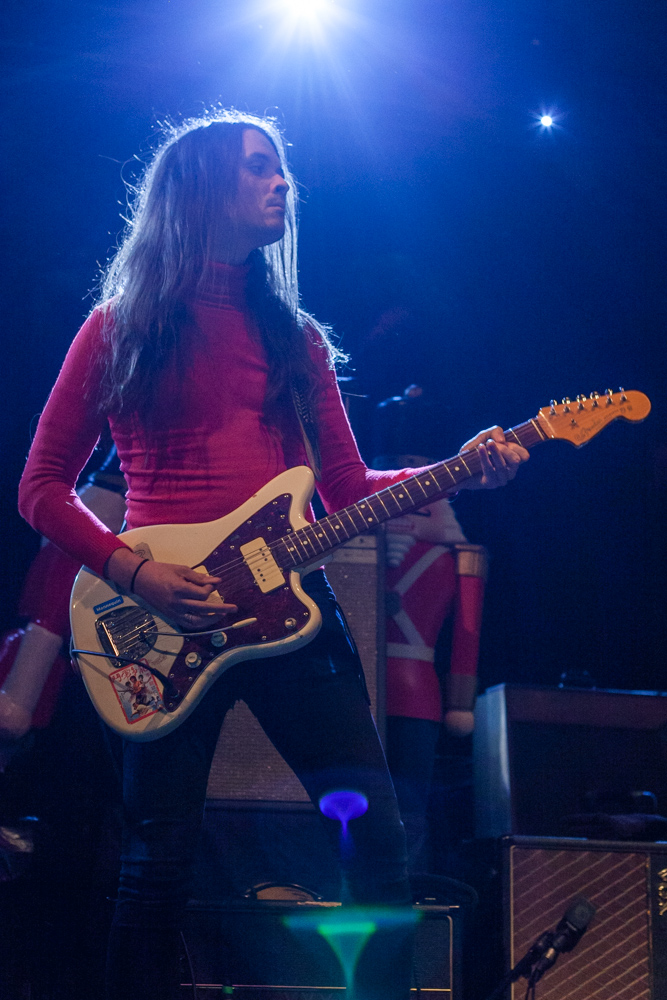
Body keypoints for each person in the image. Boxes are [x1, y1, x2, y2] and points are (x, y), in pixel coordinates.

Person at [18, 110, 529, 1000]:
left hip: (292, 612)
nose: (282, 182)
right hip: (155, 617)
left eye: (282, 168)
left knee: (376, 842)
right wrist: (138, 574)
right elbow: (41, 487)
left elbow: (344, 489)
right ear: (201, 189)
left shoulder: (298, 341)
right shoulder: (118, 328)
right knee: (155, 864)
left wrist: (457, 473)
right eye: (259, 168)